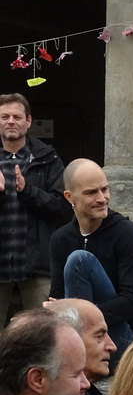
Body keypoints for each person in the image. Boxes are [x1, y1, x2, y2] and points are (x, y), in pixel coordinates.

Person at [49, 160, 133, 361]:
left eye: (105, 189)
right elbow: (57, 298)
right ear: (69, 197)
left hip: (122, 337)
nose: (102, 198)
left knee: (79, 260)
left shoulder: (126, 233)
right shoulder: (61, 239)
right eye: (91, 192)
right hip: (78, 337)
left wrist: (78, 314)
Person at [0, 93, 69, 327]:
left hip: (36, 265)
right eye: (5, 116)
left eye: (17, 117)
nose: (11, 121)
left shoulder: (47, 158)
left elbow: (62, 208)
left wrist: (27, 190)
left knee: (40, 335)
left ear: (28, 121)